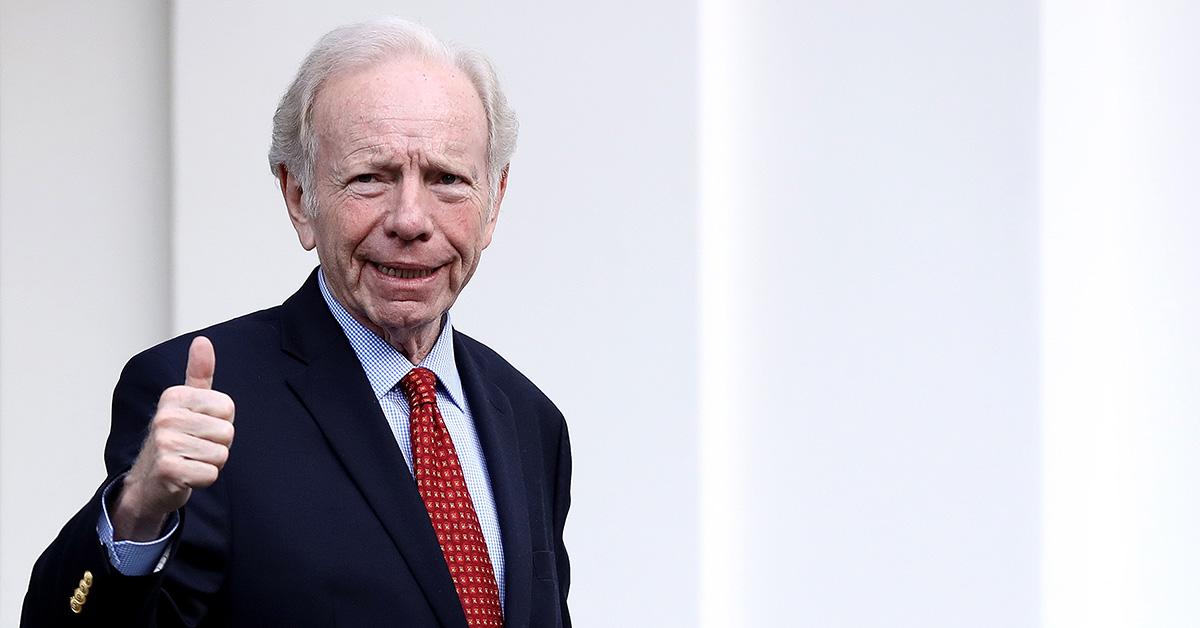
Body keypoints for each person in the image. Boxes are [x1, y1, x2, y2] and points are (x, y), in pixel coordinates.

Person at [21, 17, 571, 628]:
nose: (410, 219)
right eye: (371, 178)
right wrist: (139, 513)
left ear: (493, 202)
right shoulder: (203, 403)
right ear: (299, 198)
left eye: (447, 179)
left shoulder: (530, 421)